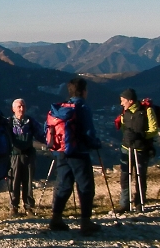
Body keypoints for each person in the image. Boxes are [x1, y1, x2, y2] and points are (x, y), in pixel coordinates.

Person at [49, 78, 101, 234]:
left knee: (64, 184)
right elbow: (89, 132)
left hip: (62, 152)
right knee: (85, 186)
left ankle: (56, 218)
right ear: (84, 91)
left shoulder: (62, 108)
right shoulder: (82, 107)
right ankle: (86, 222)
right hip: (79, 152)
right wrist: (95, 143)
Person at [8, 98, 45, 217]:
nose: (21, 108)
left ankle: (28, 206)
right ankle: (14, 207)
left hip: (28, 155)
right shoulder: (8, 123)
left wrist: (51, 142)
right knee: (14, 181)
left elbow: (40, 134)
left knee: (28, 182)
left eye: (23, 106)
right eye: (19, 106)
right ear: (13, 109)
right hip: (14, 155)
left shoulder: (30, 122)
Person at [118, 88, 152, 213]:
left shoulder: (146, 111)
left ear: (130, 101)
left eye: (123, 101)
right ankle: (124, 203)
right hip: (126, 148)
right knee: (125, 176)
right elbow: (123, 128)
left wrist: (140, 136)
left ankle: (139, 202)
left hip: (140, 149)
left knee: (140, 176)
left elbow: (154, 130)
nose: (121, 103)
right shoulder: (125, 112)